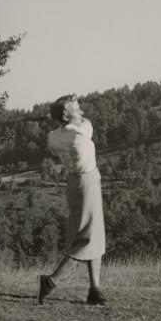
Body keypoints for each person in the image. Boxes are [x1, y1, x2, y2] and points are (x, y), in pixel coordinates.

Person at [37, 94, 107, 306]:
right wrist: (71, 120)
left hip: (75, 182)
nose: (82, 113)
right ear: (67, 116)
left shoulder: (53, 136)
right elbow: (88, 125)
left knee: (94, 235)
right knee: (86, 239)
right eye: (77, 109)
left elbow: (51, 145)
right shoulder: (80, 131)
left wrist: (61, 121)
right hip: (86, 182)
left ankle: (95, 289)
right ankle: (50, 281)